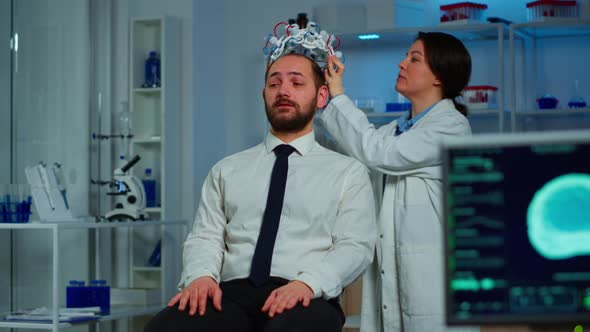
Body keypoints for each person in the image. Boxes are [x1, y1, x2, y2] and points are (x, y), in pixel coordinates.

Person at [144, 49, 377, 331]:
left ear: (321, 97)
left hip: (305, 293)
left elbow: (355, 247)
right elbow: (205, 236)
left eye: (297, 83)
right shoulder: (227, 169)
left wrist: (308, 283)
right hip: (231, 293)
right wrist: (200, 276)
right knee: (166, 326)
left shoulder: (347, 172)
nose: (283, 91)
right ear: (264, 94)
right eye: (274, 83)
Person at [319, 32, 480, 332]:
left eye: (414, 59)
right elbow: (353, 151)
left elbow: (379, 153)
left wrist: (338, 94)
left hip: (433, 289)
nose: (401, 63)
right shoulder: (395, 131)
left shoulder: (450, 128)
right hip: (393, 283)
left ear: (439, 77)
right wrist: (319, 94)